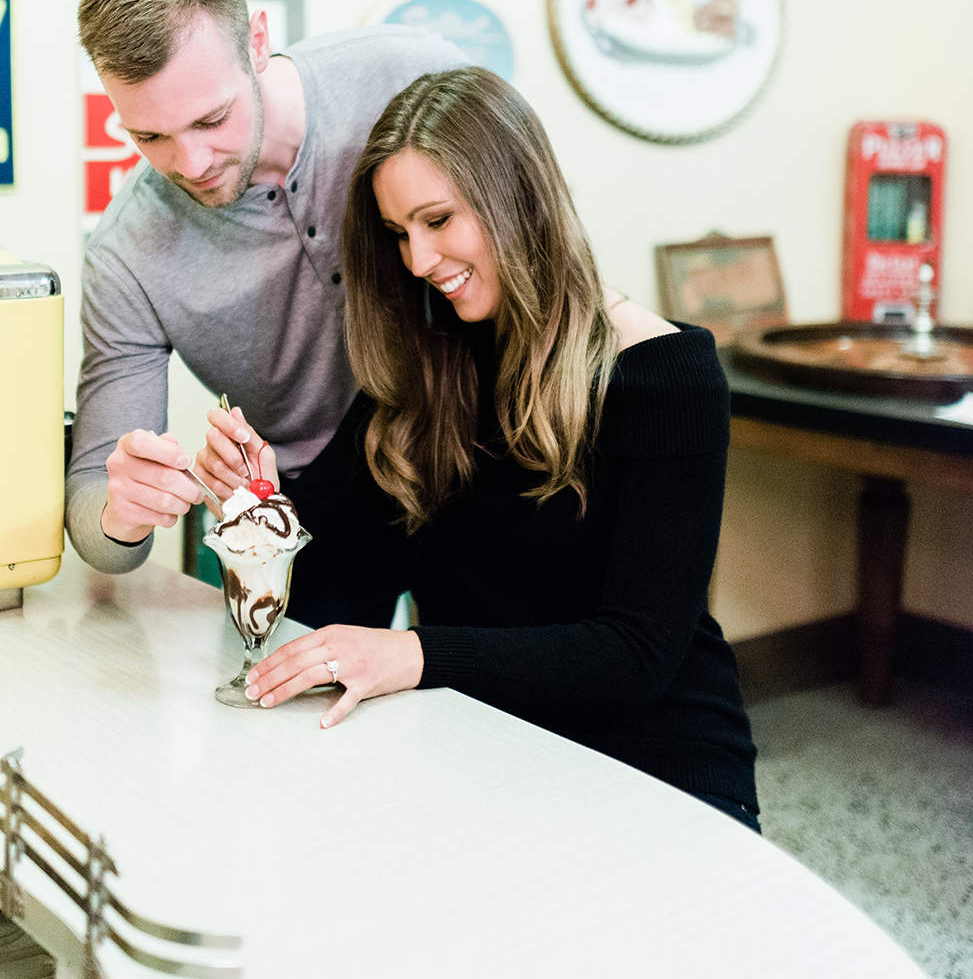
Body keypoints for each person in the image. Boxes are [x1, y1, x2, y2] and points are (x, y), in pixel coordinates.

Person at [200, 66, 760, 830]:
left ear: (518, 199)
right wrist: (256, 507)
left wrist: (416, 655)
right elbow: (329, 592)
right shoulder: (425, 369)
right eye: (399, 234)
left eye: (438, 221)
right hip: (481, 742)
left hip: (656, 759)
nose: (419, 261)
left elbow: (635, 653)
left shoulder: (667, 378)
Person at [66, 0, 465, 569]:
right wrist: (122, 510)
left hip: (476, 456)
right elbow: (96, 522)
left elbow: (538, 246)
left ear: (256, 41)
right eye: (149, 136)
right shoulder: (126, 256)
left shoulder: (413, 76)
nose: (190, 163)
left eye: (210, 119)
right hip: (303, 505)